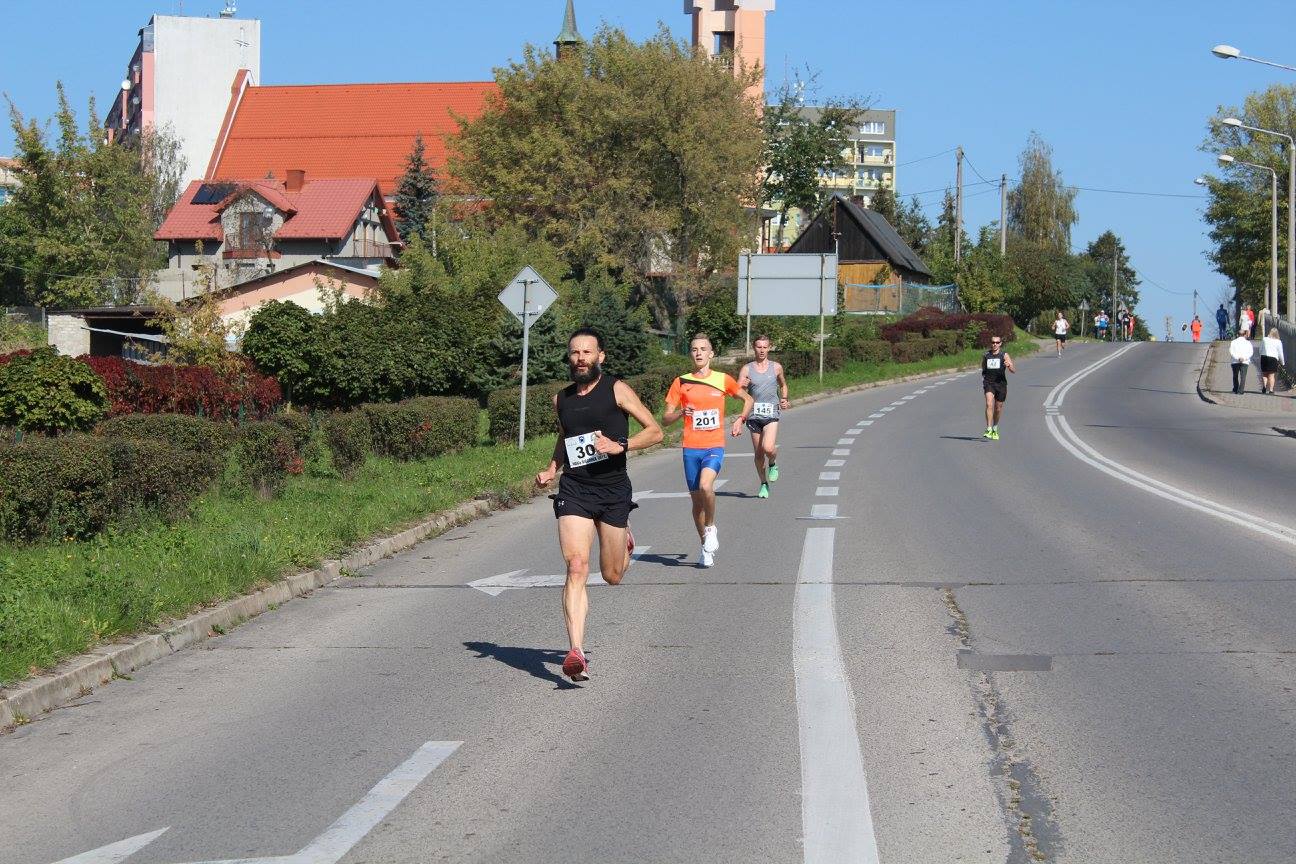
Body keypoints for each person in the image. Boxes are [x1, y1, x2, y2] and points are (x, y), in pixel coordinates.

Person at [535, 328, 663, 682]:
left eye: (587, 352)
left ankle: (625, 543)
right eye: (575, 352)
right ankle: (576, 652)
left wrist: (622, 445)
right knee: (576, 566)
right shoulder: (562, 399)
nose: (580, 358)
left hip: (612, 491)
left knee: (612, 576)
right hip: (575, 489)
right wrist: (552, 468)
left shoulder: (616, 389)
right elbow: (565, 437)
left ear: (600, 356)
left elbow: (655, 431)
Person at [663, 334, 753, 567]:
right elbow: (665, 419)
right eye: (694, 349)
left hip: (714, 445)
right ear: (690, 354)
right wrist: (681, 413)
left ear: (711, 354)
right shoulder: (681, 382)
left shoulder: (722, 379)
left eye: (703, 349)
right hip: (690, 449)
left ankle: (711, 527)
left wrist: (740, 419)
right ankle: (705, 546)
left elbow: (748, 400)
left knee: (706, 486)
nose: (699, 353)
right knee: (697, 504)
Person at [736, 334, 789, 499]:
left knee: (768, 448)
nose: (762, 350)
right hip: (753, 415)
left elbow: (783, 384)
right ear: (754, 348)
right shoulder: (746, 369)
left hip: (771, 413)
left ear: (769, 348)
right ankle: (763, 483)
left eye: (765, 347)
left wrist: (784, 398)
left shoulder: (776, 367)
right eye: (759, 347)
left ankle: (772, 462)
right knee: (759, 455)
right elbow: (737, 393)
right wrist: (741, 386)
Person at [981, 334, 1016, 440]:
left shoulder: (1004, 355)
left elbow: (1013, 370)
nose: (995, 344)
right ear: (991, 343)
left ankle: (995, 428)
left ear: (1000, 344)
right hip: (989, 383)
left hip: (1001, 384)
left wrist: (1009, 366)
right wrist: (984, 377)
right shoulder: (986, 355)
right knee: (989, 404)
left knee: (998, 408)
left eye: (997, 342)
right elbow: (983, 367)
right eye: (993, 342)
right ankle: (989, 428)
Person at [1260, 327, 1286, 395]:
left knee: (1264, 374)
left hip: (1264, 357)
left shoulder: (1264, 339)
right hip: (1273, 358)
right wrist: (1282, 362)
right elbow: (1280, 353)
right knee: (1271, 375)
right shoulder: (1278, 342)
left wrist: (1261, 355)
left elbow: (1260, 349)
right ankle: (1271, 390)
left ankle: (1264, 387)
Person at [1229, 329, 1255, 394]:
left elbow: (1231, 352)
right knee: (1243, 376)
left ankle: (1235, 388)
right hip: (1245, 361)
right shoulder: (1248, 343)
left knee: (1235, 375)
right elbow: (1251, 352)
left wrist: (1238, 358)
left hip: (1235, 361)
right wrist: (1244, 358)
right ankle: (1240, 390)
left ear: (1237, 334)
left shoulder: (1233, 342)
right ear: (1245, 335)